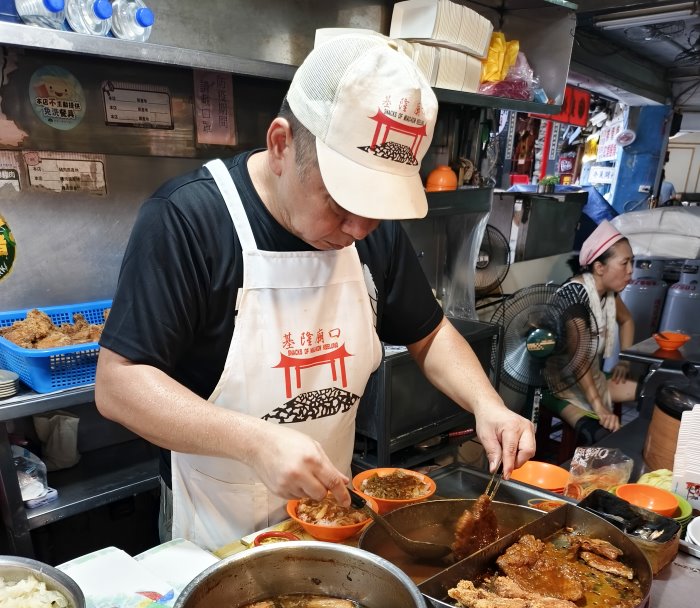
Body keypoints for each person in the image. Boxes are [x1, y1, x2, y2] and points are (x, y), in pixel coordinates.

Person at [95, 32, 535, 551]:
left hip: (328, 521)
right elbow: (119, 385)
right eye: (340, 200)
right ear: (281, 144)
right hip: (214, 525)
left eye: (376, 206)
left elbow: (429, 334)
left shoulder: (372, 228)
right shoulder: (188, 219)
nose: (358, 226)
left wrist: (487, 404)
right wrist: (254, 442)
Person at [547, 220, 638, 443]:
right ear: (599, 267)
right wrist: (599, 406)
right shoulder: (574, 297)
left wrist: (624, 361)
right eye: (625, 263)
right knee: (598, 434)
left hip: (592, 377)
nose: (630, 271)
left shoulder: (608, 294)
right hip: (562, 384)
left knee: (656, 393)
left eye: (632, 263)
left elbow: (627, 321)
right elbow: (579, 361)